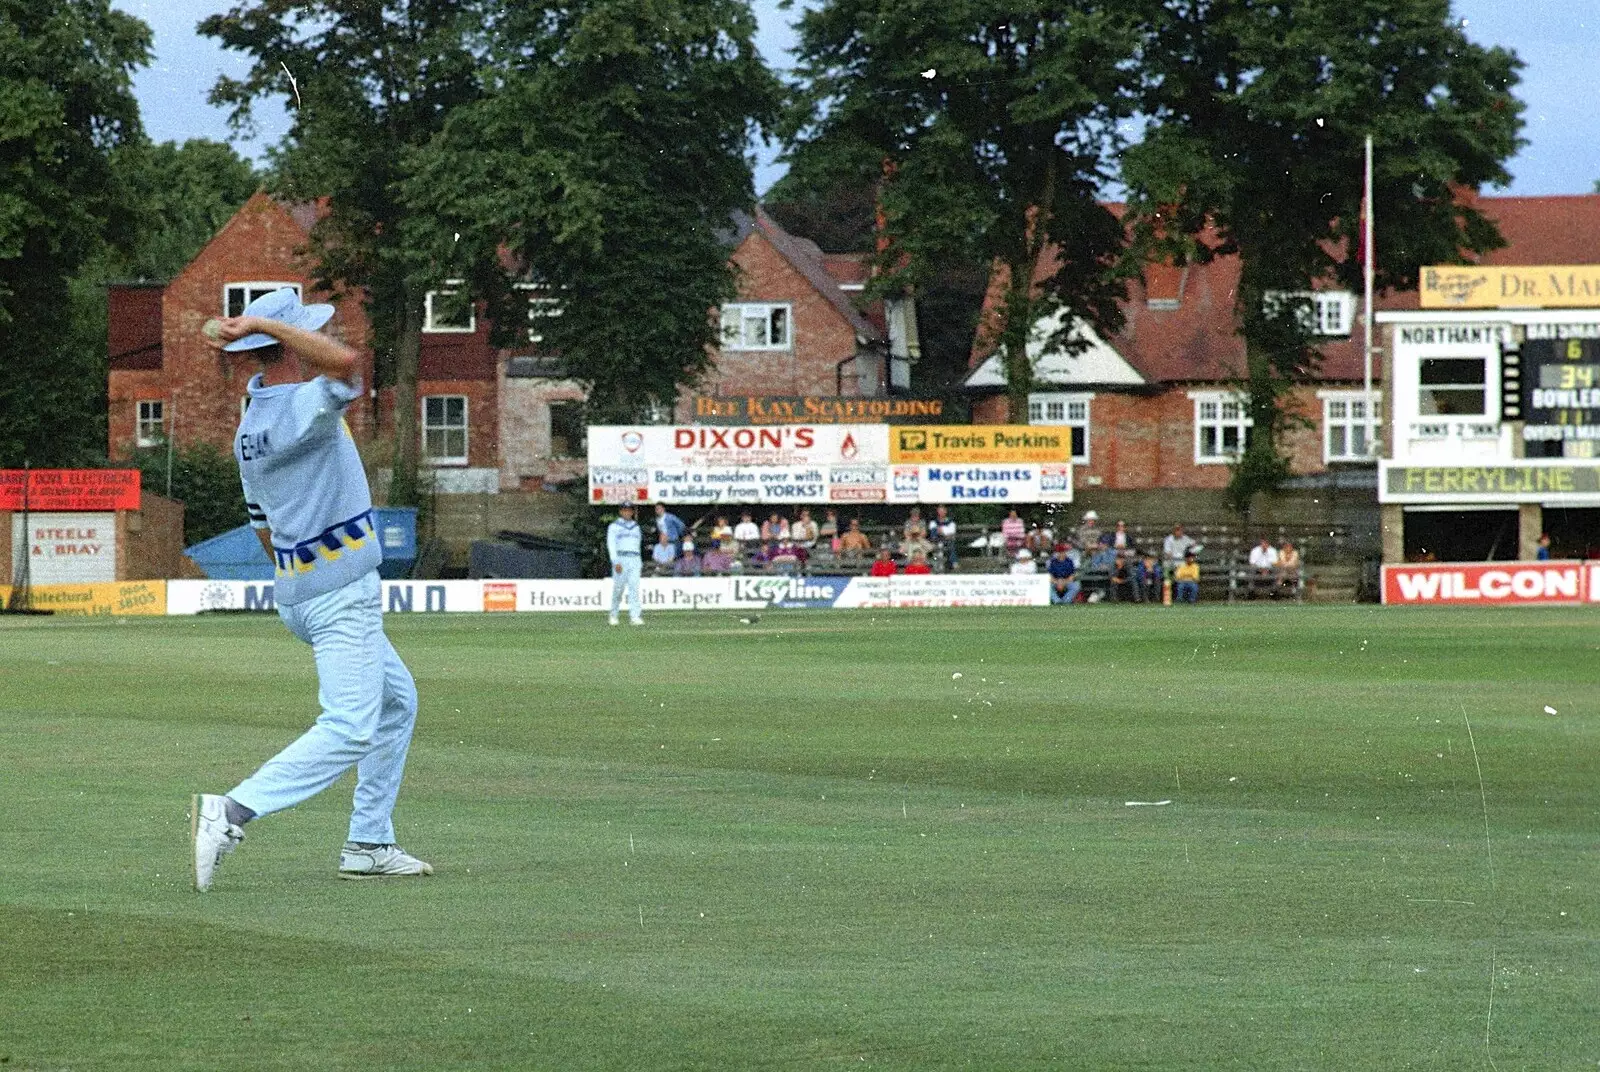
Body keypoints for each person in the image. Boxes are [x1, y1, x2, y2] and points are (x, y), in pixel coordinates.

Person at [191, 287, 430, 892]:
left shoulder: (252, 420)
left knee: (397, 703)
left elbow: (264, 530)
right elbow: (348, 365)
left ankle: (369, 842)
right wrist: (269, 321)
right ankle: (234, 810)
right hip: (340, 588)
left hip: (298, 589)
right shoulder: (301, 405)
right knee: (350, 725)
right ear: (288, 343)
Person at [607, 502, 644, 625]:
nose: (627, 513)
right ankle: (613, 614)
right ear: (620, 512)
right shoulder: (614, 526)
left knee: (634, 587)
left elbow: (638, 545)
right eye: (625, 510)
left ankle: (635, 616)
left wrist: (639, 561)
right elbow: (611, 545)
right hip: (621, 558)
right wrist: (615, 561)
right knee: (619, 588)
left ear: (632, 512)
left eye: (629, 510)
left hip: (634, 558)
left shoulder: (636, 527)